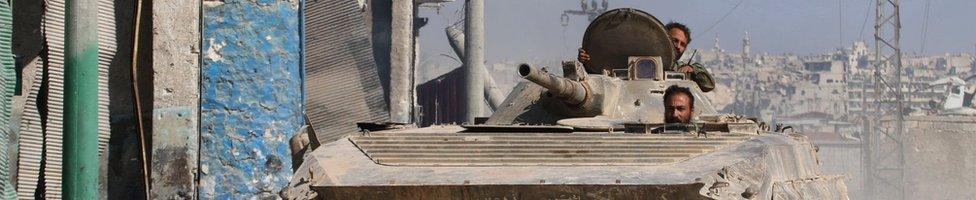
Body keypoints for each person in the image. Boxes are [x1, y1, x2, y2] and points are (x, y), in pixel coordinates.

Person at [578, 22, 715, 92]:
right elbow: (601, 77)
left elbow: (708, 85)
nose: (678, 46)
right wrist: (588, 60)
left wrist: (693, 68)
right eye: (675, 40)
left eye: (682, 44)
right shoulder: (634, 62)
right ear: (663, 39)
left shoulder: (682, 69)